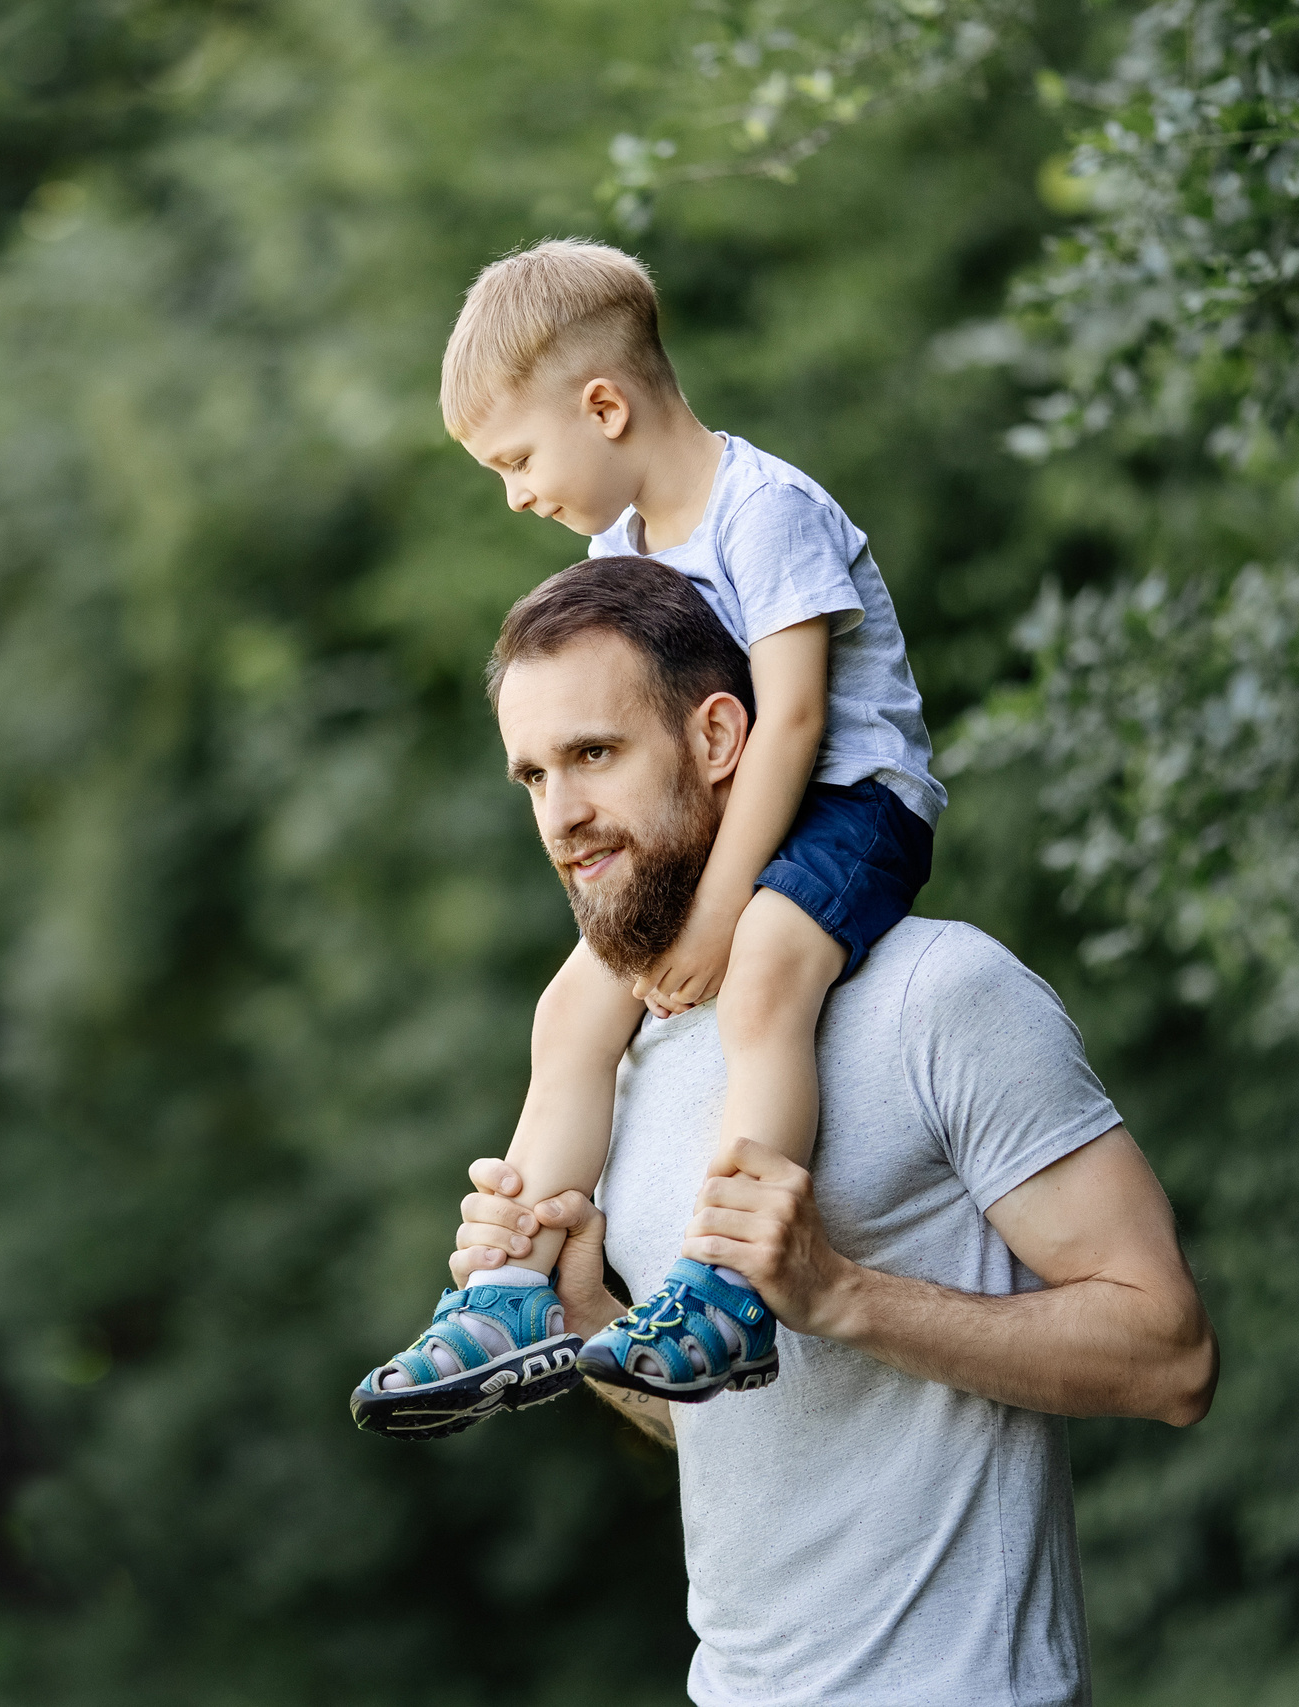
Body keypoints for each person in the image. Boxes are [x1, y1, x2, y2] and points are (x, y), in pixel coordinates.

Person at [455, 557, 1218, 1701]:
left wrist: (840, 1295)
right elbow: (741, 1430)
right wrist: (588, 1323)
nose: (561, 816)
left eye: (594, 755)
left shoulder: (940, 994)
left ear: (720, 738)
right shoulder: (622, 1062)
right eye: (532, 775)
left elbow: (1172, 1358)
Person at [354, 238, 945, 1434]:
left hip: (851, 805)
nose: (515, 494)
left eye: (517, 460)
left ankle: (728, 1284)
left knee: (763, 975)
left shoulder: (764, 511)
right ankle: (512, 1286)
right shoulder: (617, 554)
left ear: (603, 406)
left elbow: (792, 724)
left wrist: (719, 911)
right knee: (571, 1006)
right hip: (729, 820)